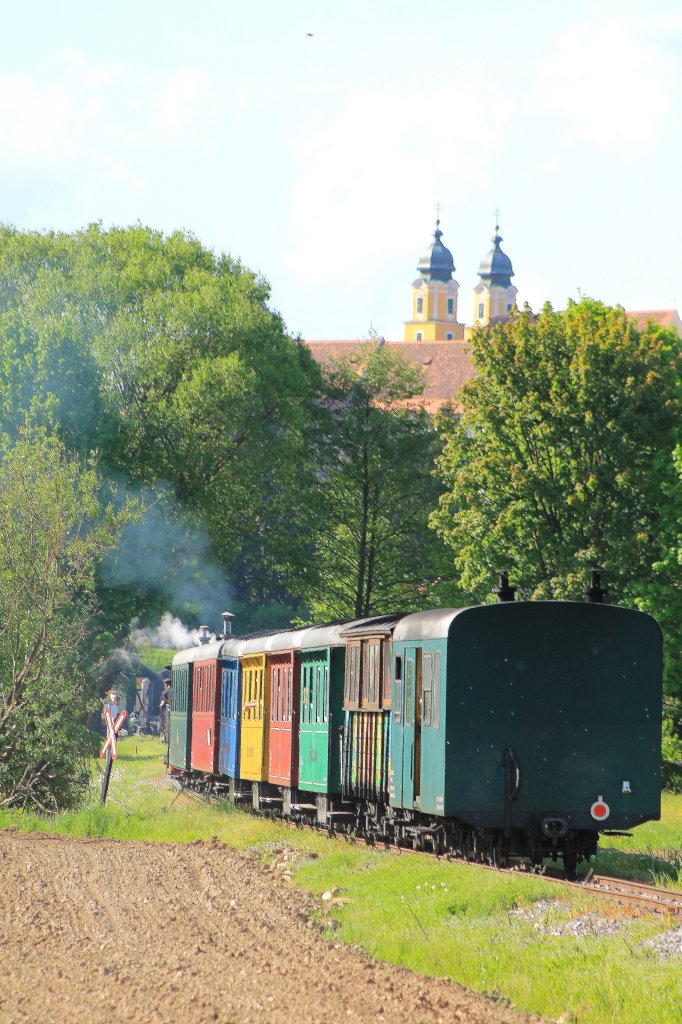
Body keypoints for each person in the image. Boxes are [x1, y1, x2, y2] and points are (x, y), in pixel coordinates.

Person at [159, 676, 172, 743]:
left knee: (165, 725)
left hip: (166, 710)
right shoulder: (173, 690)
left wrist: (161, 706)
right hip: (172, 710)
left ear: (167, 684)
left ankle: (166, 739)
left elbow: (163, 701)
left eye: (164, 683)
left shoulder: (165, 692)